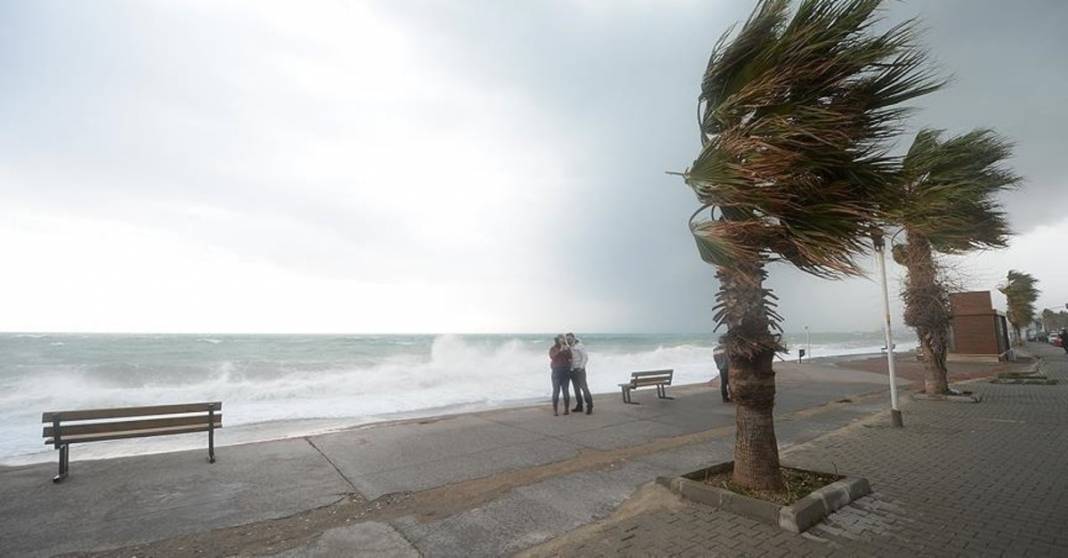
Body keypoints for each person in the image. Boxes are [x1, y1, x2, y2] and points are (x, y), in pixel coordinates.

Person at [566, 333, 593, 415]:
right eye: (567, 339)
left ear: (573, 338)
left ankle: (590, 406)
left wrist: (581, 367)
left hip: (580, 370)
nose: (568, 340)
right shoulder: (569, 347)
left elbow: (585, 357)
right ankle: (579, 406)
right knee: (576, 389)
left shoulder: (579, 345)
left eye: (570, 338)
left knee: (584, 388)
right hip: (572, 371)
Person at [549, 335, 572, 416]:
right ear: (558, 340)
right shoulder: (553, 348)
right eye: (561, 338)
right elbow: (552, 357)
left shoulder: (566, 348)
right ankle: (555, 411)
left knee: (565, 391)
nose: (562, 340)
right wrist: (560, 351)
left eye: (563, 338)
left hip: (564, 371)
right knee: (556, 391)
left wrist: (565, 350)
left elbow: (570, 358)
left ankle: (566, 410)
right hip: (557, 371)